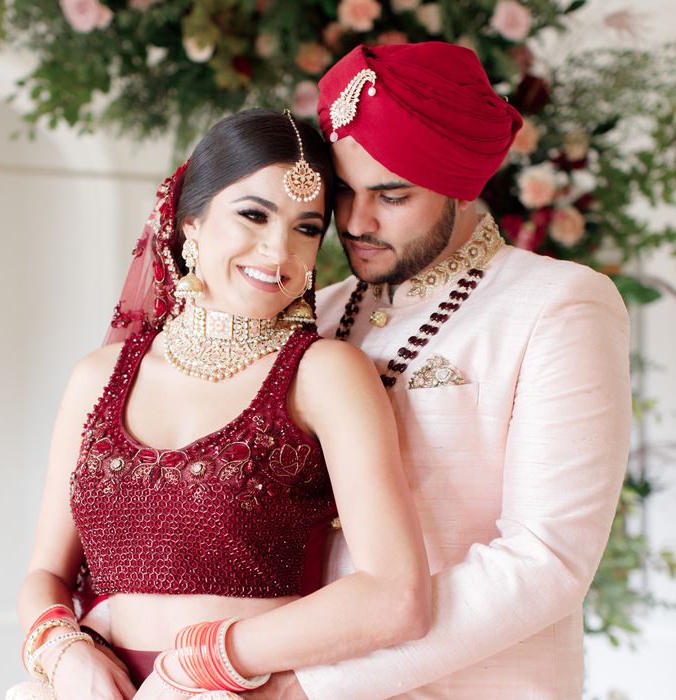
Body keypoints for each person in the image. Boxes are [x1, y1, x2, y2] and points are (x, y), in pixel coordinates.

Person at [245, 43, 632, 700]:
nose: (357, 223)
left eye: (392, 196)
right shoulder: (317, 311)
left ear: (461, 182)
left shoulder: (558, 305)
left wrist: (307, 683)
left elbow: (546, 559)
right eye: (344, 191)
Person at [11, 108, 432, 700]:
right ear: (191, 223)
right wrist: (64, 651)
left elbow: (397, 598)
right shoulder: (98, 377)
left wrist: (202, 662)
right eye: (254, 215)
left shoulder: (324, 374)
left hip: (244, 690)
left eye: (307, 228)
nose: (278, 249)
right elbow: (46, 574)